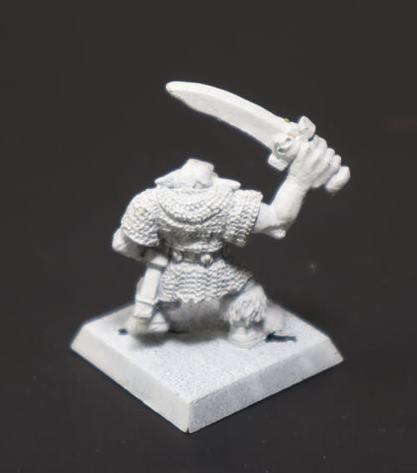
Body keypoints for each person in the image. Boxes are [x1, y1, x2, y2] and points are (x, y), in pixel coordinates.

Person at [112, 136, 341, 346]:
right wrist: (298, 180)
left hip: (170, 270)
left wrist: (149, 255)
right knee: (246, 292)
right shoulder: (228, 202)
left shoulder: (149, 201)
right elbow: (277, 221)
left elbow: (121, 244)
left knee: (153, 283)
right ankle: (243, 331)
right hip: (217, 269)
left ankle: (153, 316)